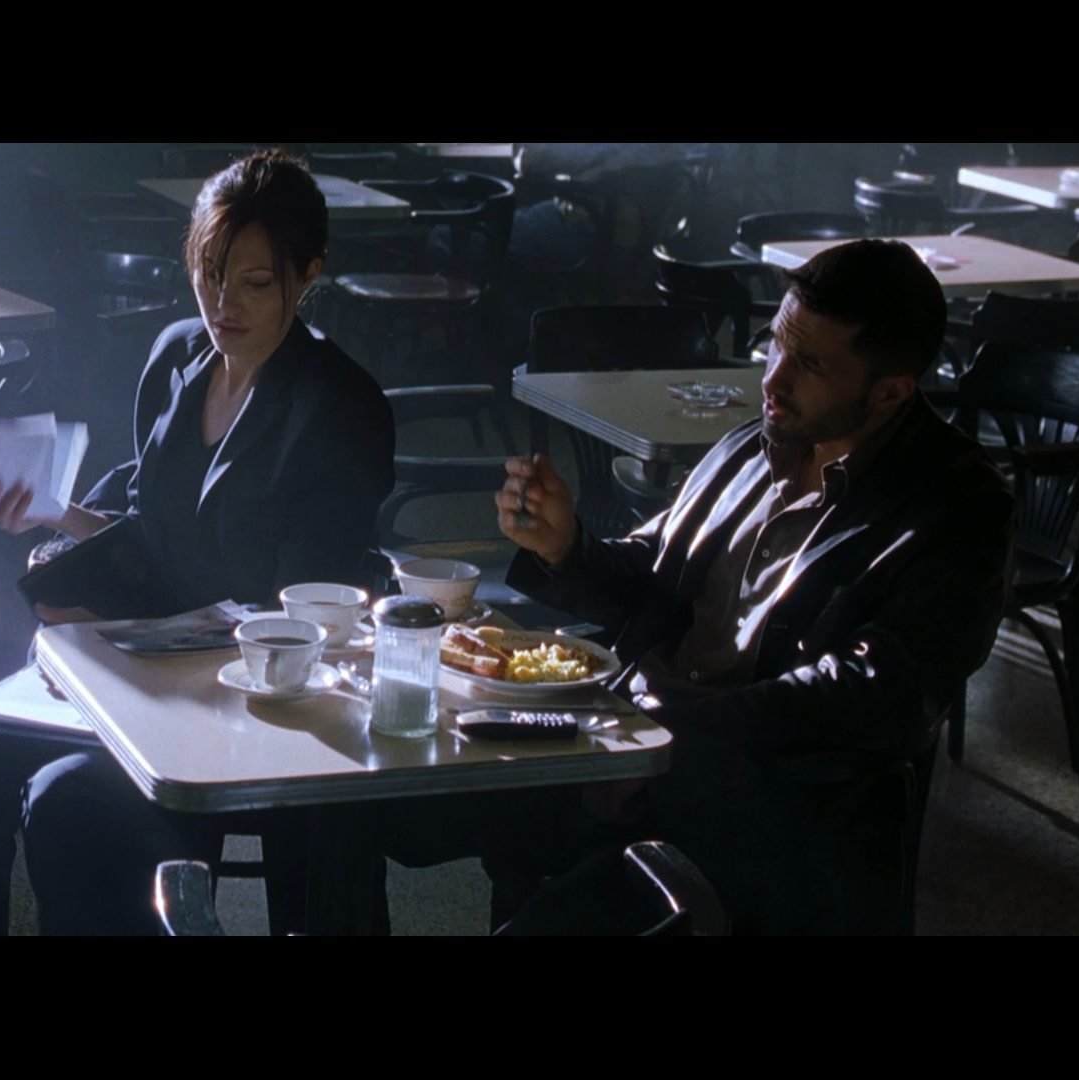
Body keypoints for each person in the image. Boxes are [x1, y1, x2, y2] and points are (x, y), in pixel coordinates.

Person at [364, 238, 1014, 934]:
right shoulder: (759, 443)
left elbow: (875, 694)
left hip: (763, 801)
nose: (773, 378)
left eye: (810, 364)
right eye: (777, 343)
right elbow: (657, 574)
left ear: (891, 391)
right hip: (630, 733)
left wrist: (668, 746)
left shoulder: (958, 506)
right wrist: (567, 546)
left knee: (559, 912)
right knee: (382, 799)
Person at [0, 149, 396, 933]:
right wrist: (58, 516)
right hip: (127, 660)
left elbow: (292, 623)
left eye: (254, 283)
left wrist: (117, 611)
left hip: (232, 696)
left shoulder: (338, 408)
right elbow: (150, 525)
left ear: (307, 276)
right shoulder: (178, 356)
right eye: (209, 274)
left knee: (69, 805)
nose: (223, 304)